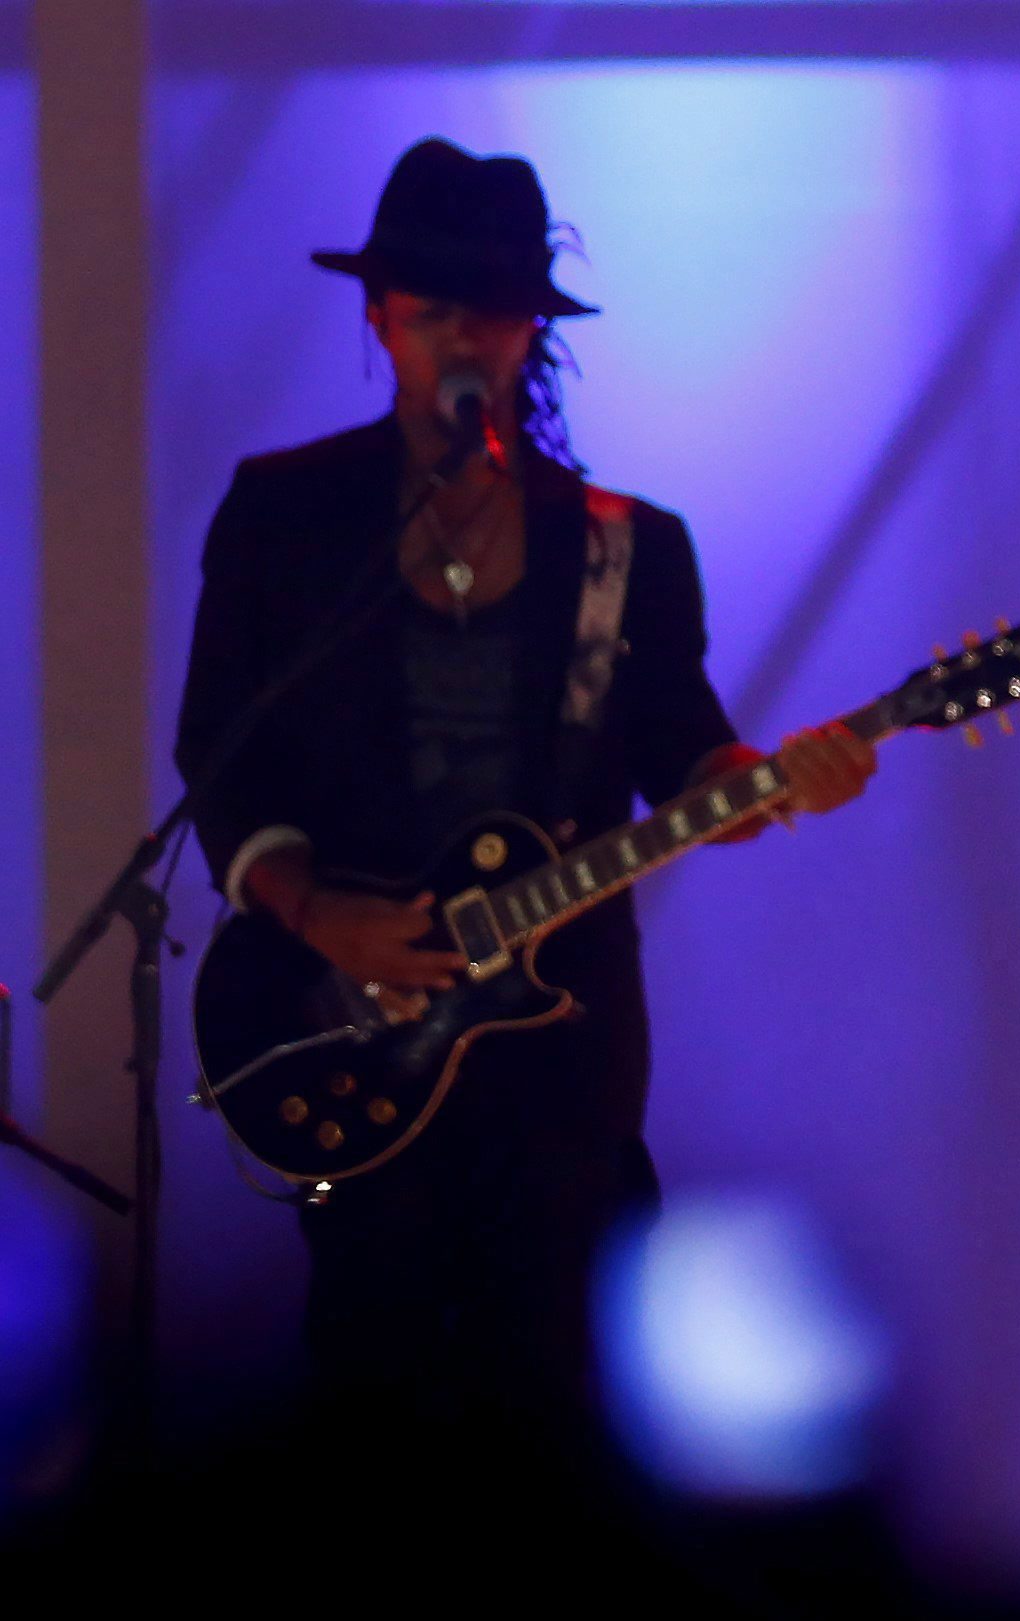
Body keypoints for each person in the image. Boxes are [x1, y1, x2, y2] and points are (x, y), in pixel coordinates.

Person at [173, 138, 874, 1452]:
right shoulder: (284, 518)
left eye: (489, 313)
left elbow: (688, 752)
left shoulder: (623, 546)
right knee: (375, 1397)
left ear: (528, 334)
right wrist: (318, 915)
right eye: (431, 308)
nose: (459, 339)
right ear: (378, 314)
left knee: (564, 1401)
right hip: (358, 1022)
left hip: (561, 1059)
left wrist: (780, 780)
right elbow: (217, 754)